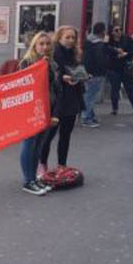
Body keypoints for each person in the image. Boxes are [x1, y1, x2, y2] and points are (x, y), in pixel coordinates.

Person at [38, 26, 84, 180]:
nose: (71, 41)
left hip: (71, 99)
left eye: (73, 38)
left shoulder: (75, 54)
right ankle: (42, 165)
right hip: (56, 101)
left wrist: (83, 77)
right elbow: (48, 77)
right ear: (59, 38)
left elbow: (78, 73)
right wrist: (62, 77)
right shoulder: (53, 54)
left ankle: (61, 166)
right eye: (67, 37)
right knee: (49, 136)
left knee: (65, 136)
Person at [18, 32, 58, 196]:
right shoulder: (26, 63)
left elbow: (54, 87)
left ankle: (34, 178)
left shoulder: (52, 63)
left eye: (47, 44)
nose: (45, 47)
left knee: (39, 144)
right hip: (31, 110)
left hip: (47, 108)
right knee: (30, 143)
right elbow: (24, 86)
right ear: (34, 45)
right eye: (41, 44)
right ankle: (28, 180)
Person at [81, 22, 113, 127]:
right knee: (90, 95)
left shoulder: (89, 41)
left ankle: (90, 115)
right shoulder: (99, 44)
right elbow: (101, 59)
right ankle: (86, 118)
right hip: (96, 72)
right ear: (103, 31)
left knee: (89, 94)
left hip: (88, 71)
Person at [107, 25, 133, 115]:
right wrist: (115, 55)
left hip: (126, 67)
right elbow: (106, 52)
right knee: (115, 89)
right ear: (112, 32)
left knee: (130, 89)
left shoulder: (127, 39)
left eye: (120, 29)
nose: (119, 32)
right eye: (116, 30)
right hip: (113, 68)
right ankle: (115, 108)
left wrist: (126, 54)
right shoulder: (109, 42)